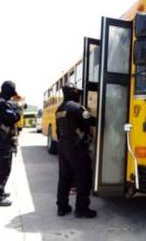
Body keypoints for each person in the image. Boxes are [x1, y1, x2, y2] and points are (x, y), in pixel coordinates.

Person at [56, 83, 97, 218]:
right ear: (73, 93)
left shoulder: (59, 109)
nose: (79, 95)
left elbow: (58, 130)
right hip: (76, 147)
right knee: (83, 176)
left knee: (64, 177)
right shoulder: (76, 107)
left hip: (63, 146)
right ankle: (82, 209)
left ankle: (62, 207)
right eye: (78, 92)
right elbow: (91, 120)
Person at [0, 81, 22, 206]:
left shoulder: (0, 102)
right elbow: (13, 118)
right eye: (11, 94)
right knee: (3, 168)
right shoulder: (2, 103)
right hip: (4, 140)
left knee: (1, 167)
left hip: (2, 138)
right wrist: (18, 108)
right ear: (8, 91)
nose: (11, 96)